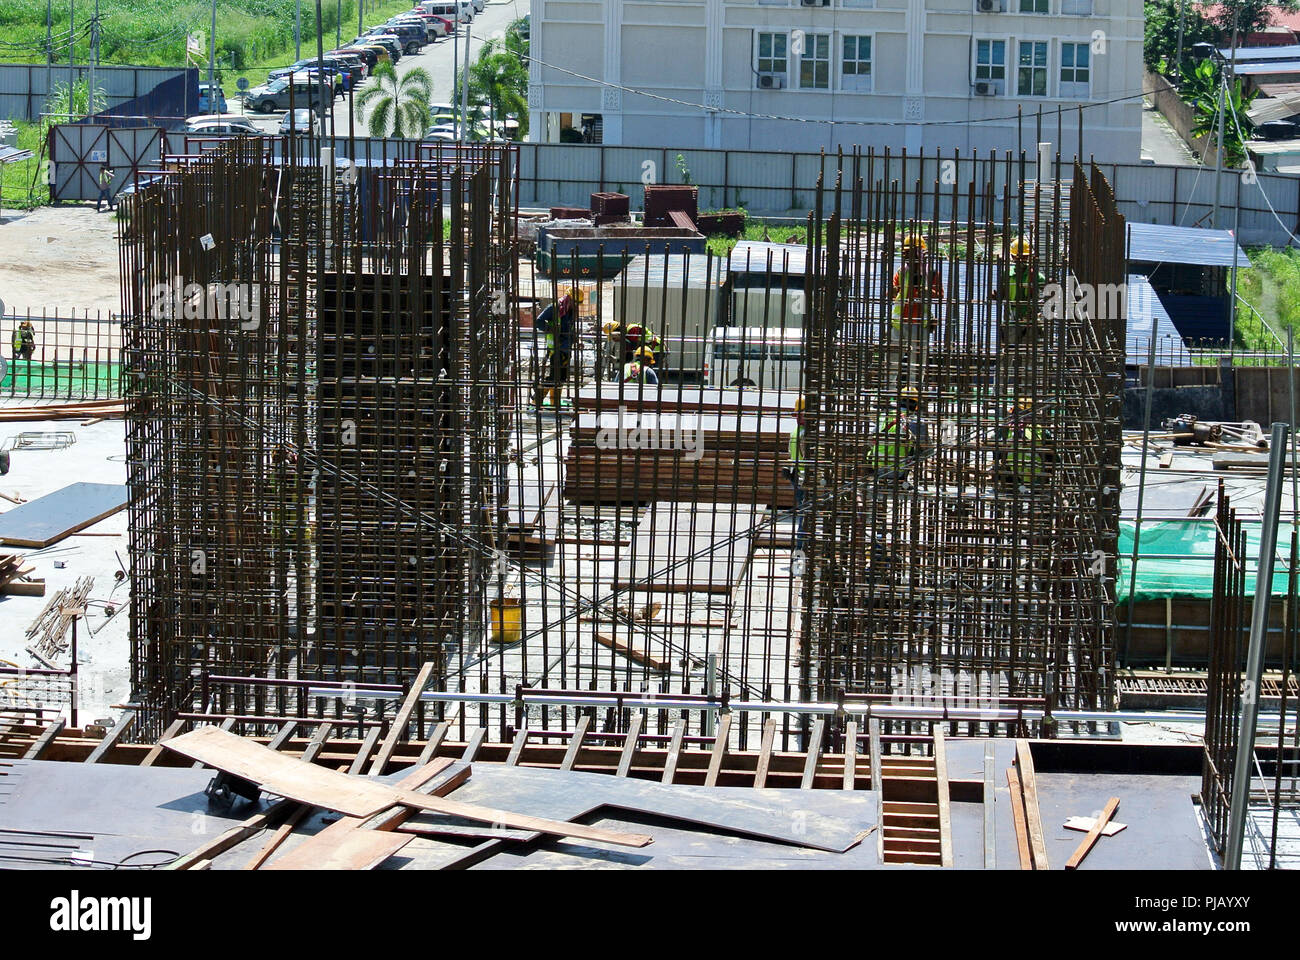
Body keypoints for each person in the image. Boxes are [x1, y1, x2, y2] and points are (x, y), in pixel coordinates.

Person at [889, 235, 943, 387]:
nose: (906, 256)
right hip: (899, 323)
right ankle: (887, 393)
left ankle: (913, 396)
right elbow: (893, 293)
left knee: (917, 365)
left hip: (920, 324)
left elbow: (940, 296)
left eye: (910, 252)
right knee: (892, 361)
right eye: (905, 253)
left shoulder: (931, 273)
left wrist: (925, 290)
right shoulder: (901, 271)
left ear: (920, 252)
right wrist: (893, 291)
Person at [992, 237, 1046, 347]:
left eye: (1024, 257)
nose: (1021, 260)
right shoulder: (1007, 274)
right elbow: (1002, 295)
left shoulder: (1034, 275)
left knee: (1030, 352)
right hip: (1011, 317)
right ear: (1012, 257)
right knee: (1009, 352)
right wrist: (996, 296)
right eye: (1018, 257)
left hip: (1030, 317)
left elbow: (1050, 291)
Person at [994, 397, 1054, 491]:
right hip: (1027, 478)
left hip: (1023, 478)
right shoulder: (1040, 430)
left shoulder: (1006, 429)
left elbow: (997, 454)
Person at [533, 292, 576, 408]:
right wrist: (551, 329)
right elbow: (538, 322)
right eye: (574, 302)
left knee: (561, 378)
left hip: (567, 349)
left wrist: (575, 339)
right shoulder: (554, 308)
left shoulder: (571, 311)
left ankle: (554, 403)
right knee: (553, 377)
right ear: (569, 299)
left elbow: (570, 328)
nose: (575, 305)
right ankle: (536, 400)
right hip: (556, 348)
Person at [783, 395, 808, 565]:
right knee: (805, 518)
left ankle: (801, 551)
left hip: (799, 478)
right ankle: (800, 553)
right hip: (804, 480)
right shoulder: (804, 434)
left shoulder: (796, 432)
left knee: (805, 516)